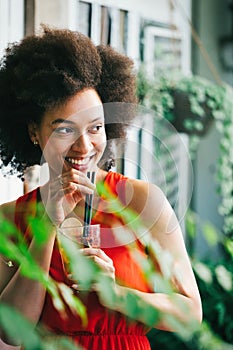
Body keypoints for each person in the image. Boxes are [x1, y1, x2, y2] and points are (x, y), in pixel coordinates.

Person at [0, 27, 202, 349]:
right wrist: (45, 228)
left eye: (95, 127)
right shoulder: (11, 218)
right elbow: (11, 331)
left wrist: (116, 292)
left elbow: (190, 313)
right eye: (65, 129)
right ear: (33, 131)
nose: (85, 146)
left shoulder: (143, 203)